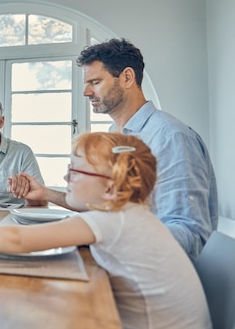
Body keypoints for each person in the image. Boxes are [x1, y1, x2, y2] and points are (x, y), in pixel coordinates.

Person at [0, 132, 212, 329]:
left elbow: (17, 239)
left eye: (75, 172)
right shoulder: (130, 213)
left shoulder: (111, 220)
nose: (66, 178)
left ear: (110, 189)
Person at [16, 39, 218, 259]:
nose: (86, 92)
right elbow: (105, 207)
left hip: (152, 278)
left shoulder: (170, 137)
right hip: (120, 262)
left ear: (127, 77)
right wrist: (46, 193)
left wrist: (100, 234)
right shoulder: (115, 135)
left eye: (95, 82)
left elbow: (191, 236)